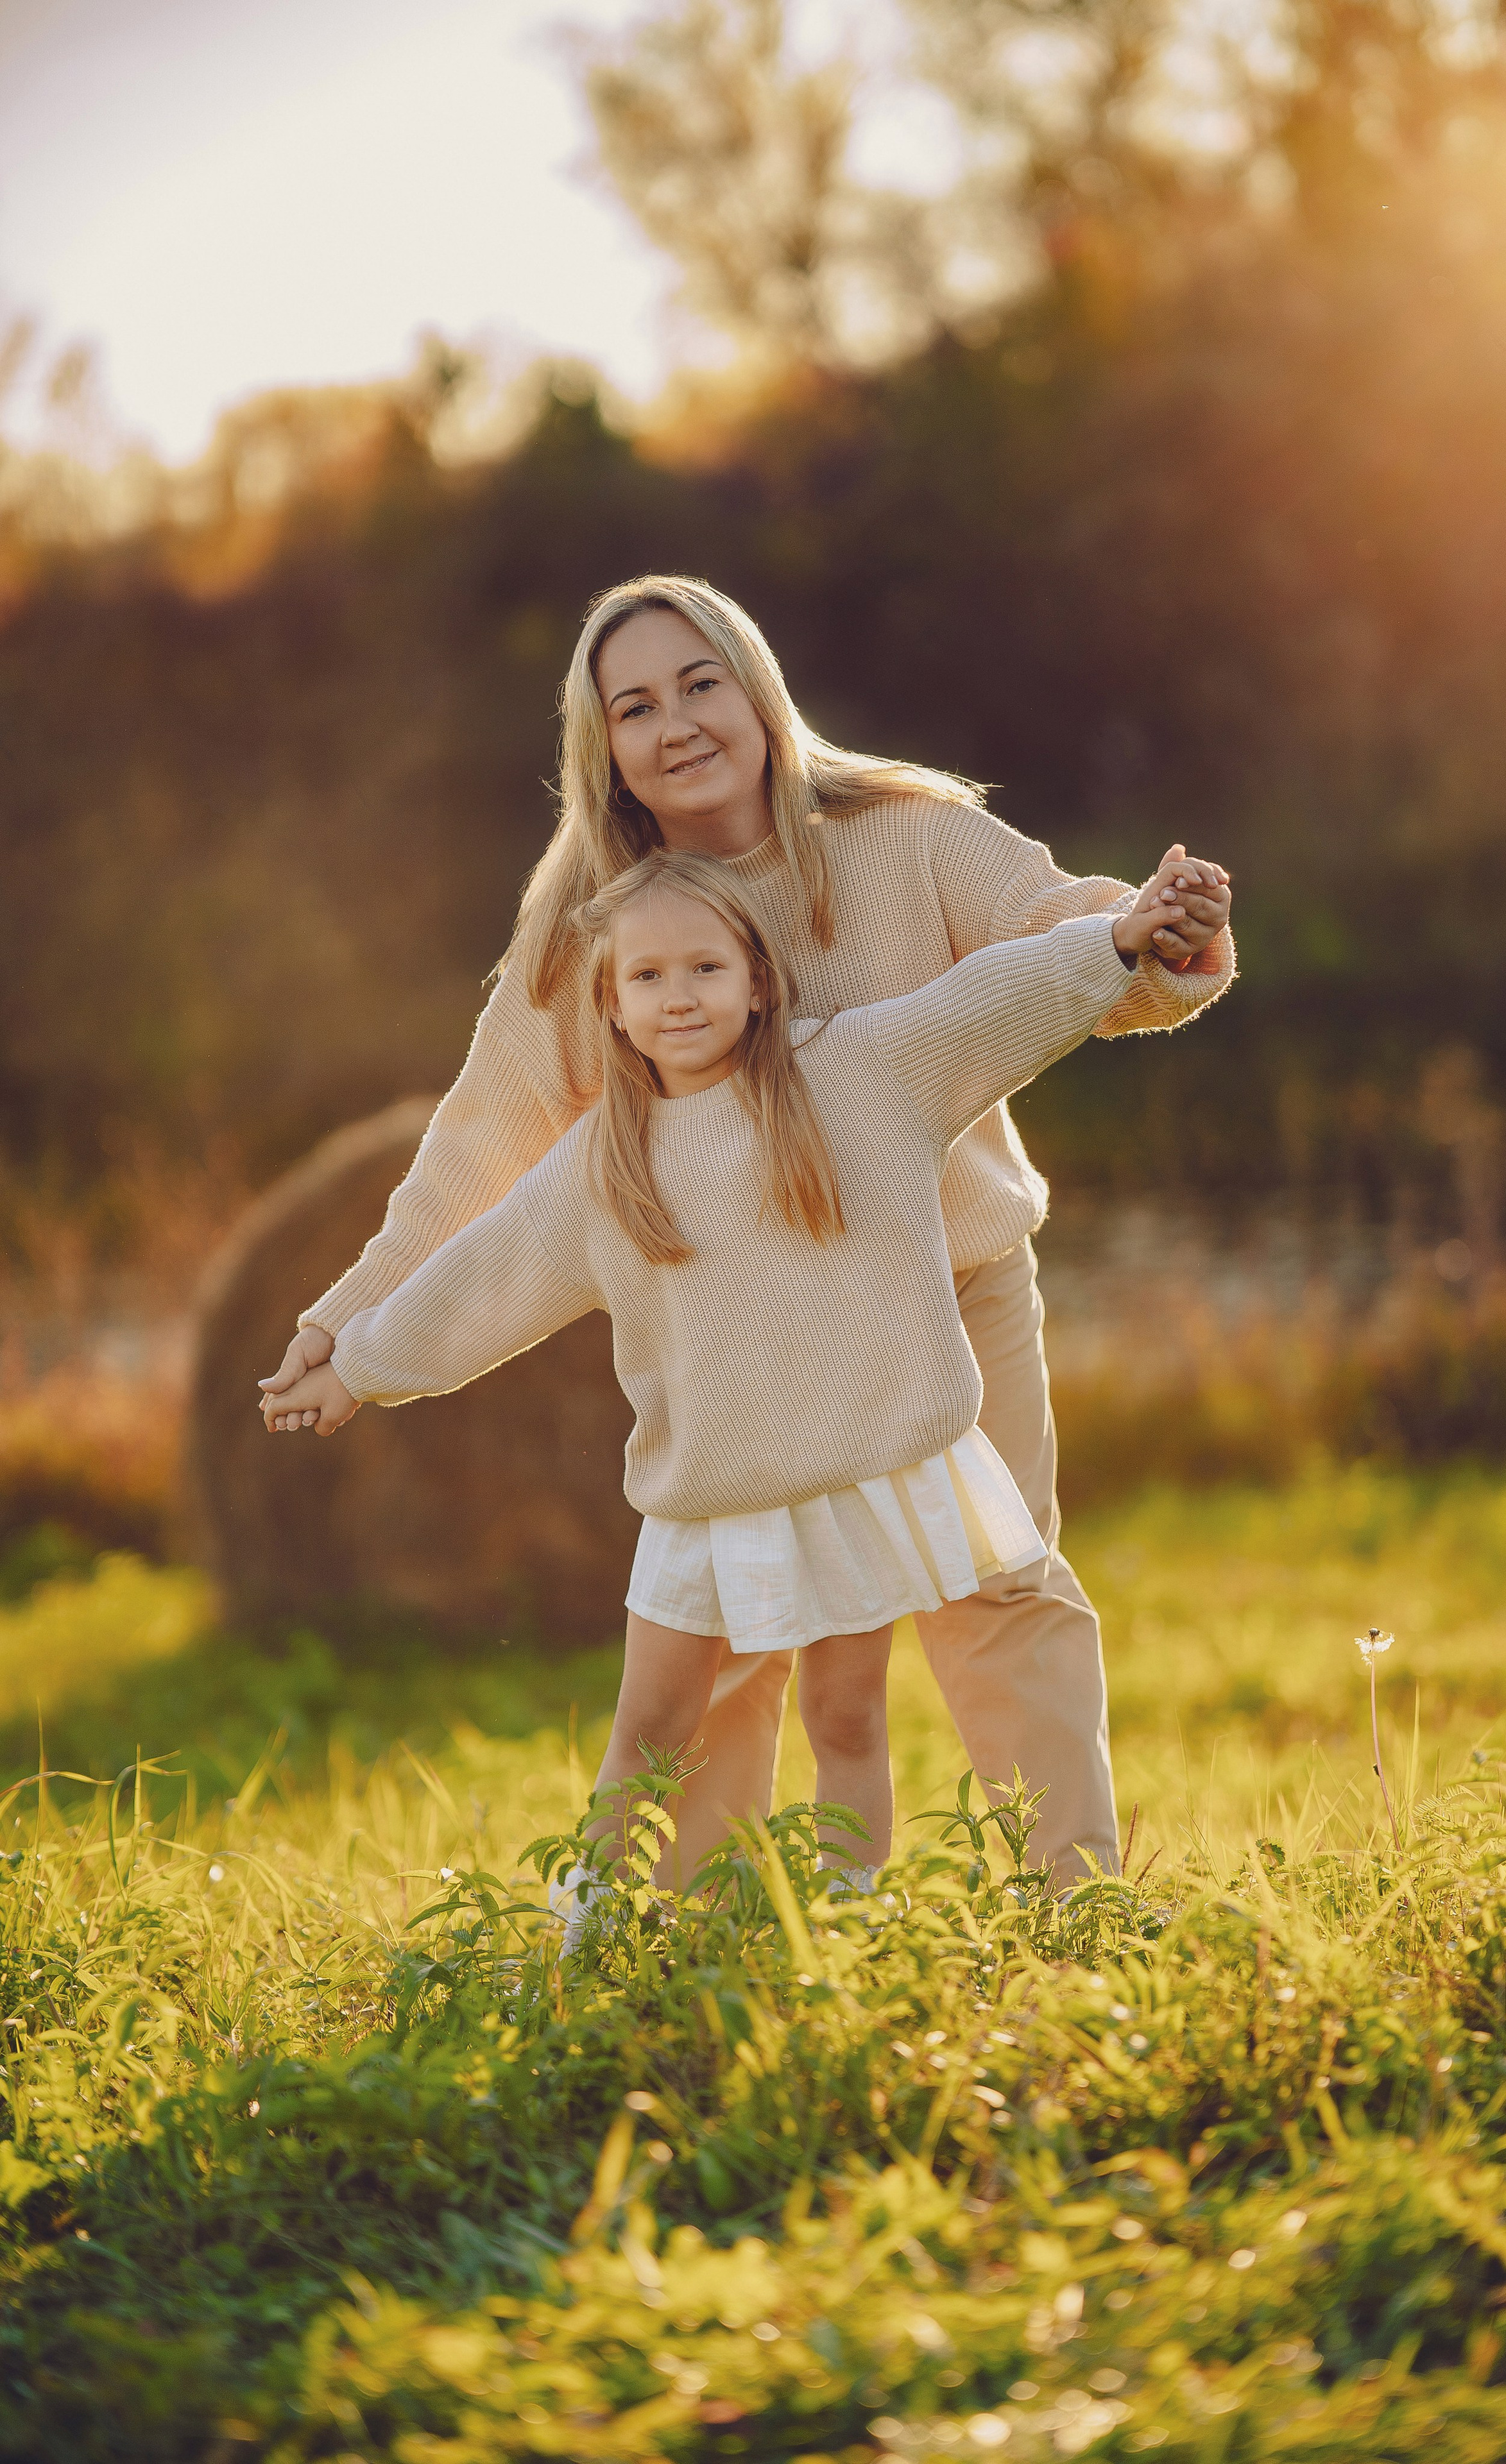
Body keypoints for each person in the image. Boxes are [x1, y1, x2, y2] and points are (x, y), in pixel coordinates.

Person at [259, 574, 1235, 1887]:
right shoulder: (585, 937)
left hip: (948, 1297)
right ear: (599, 745)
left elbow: (1047, 946)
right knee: (722, 1641)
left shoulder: (909, 833)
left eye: (700, 682)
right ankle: (699, 1929)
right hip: (739, 1343)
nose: (676, 723)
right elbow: (477, 1160)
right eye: (635, 705)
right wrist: (343, 1320)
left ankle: (1071, 1903)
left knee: (998, 1588)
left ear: (757, 684)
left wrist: (1153, 933)